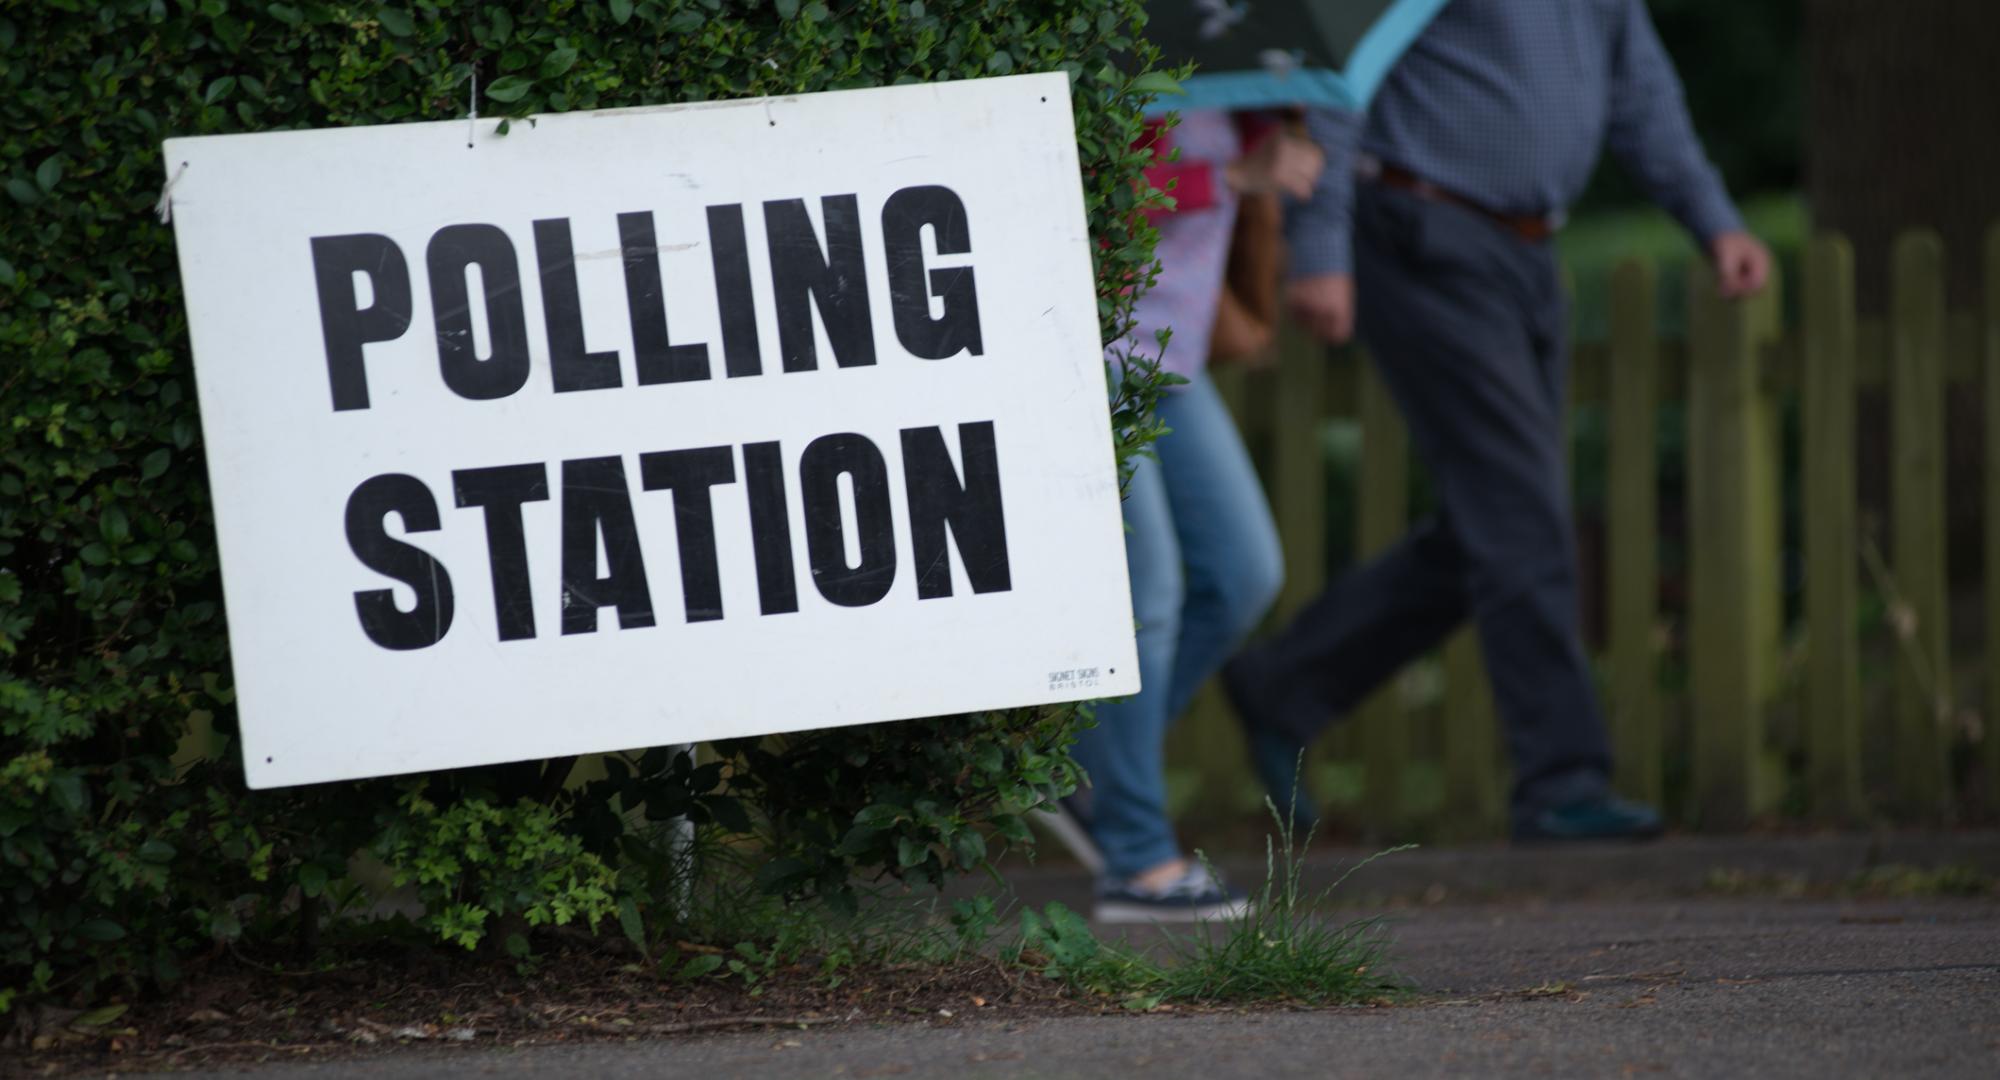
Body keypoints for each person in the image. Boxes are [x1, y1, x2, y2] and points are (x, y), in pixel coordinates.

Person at [1225, 0, 1773, 841]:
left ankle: (1283, 686)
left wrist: (1714, 218)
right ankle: (1562, 781)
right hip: (1419, 228)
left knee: (1495, 519)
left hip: (1525, 249)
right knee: (1518, 511)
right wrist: (1323, 249)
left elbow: (1642, 96)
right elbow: (1341, 76)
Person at [1059, 109, 1322, 922]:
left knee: (1245, 574)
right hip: (1092, 344)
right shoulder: (1130, 51)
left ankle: (1078, 765)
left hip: (1174, 356)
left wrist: (1276, 148)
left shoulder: (1250, 76)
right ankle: (1137, 862)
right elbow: (1079, 196)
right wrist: (1232, 178)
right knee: (1152, 596)